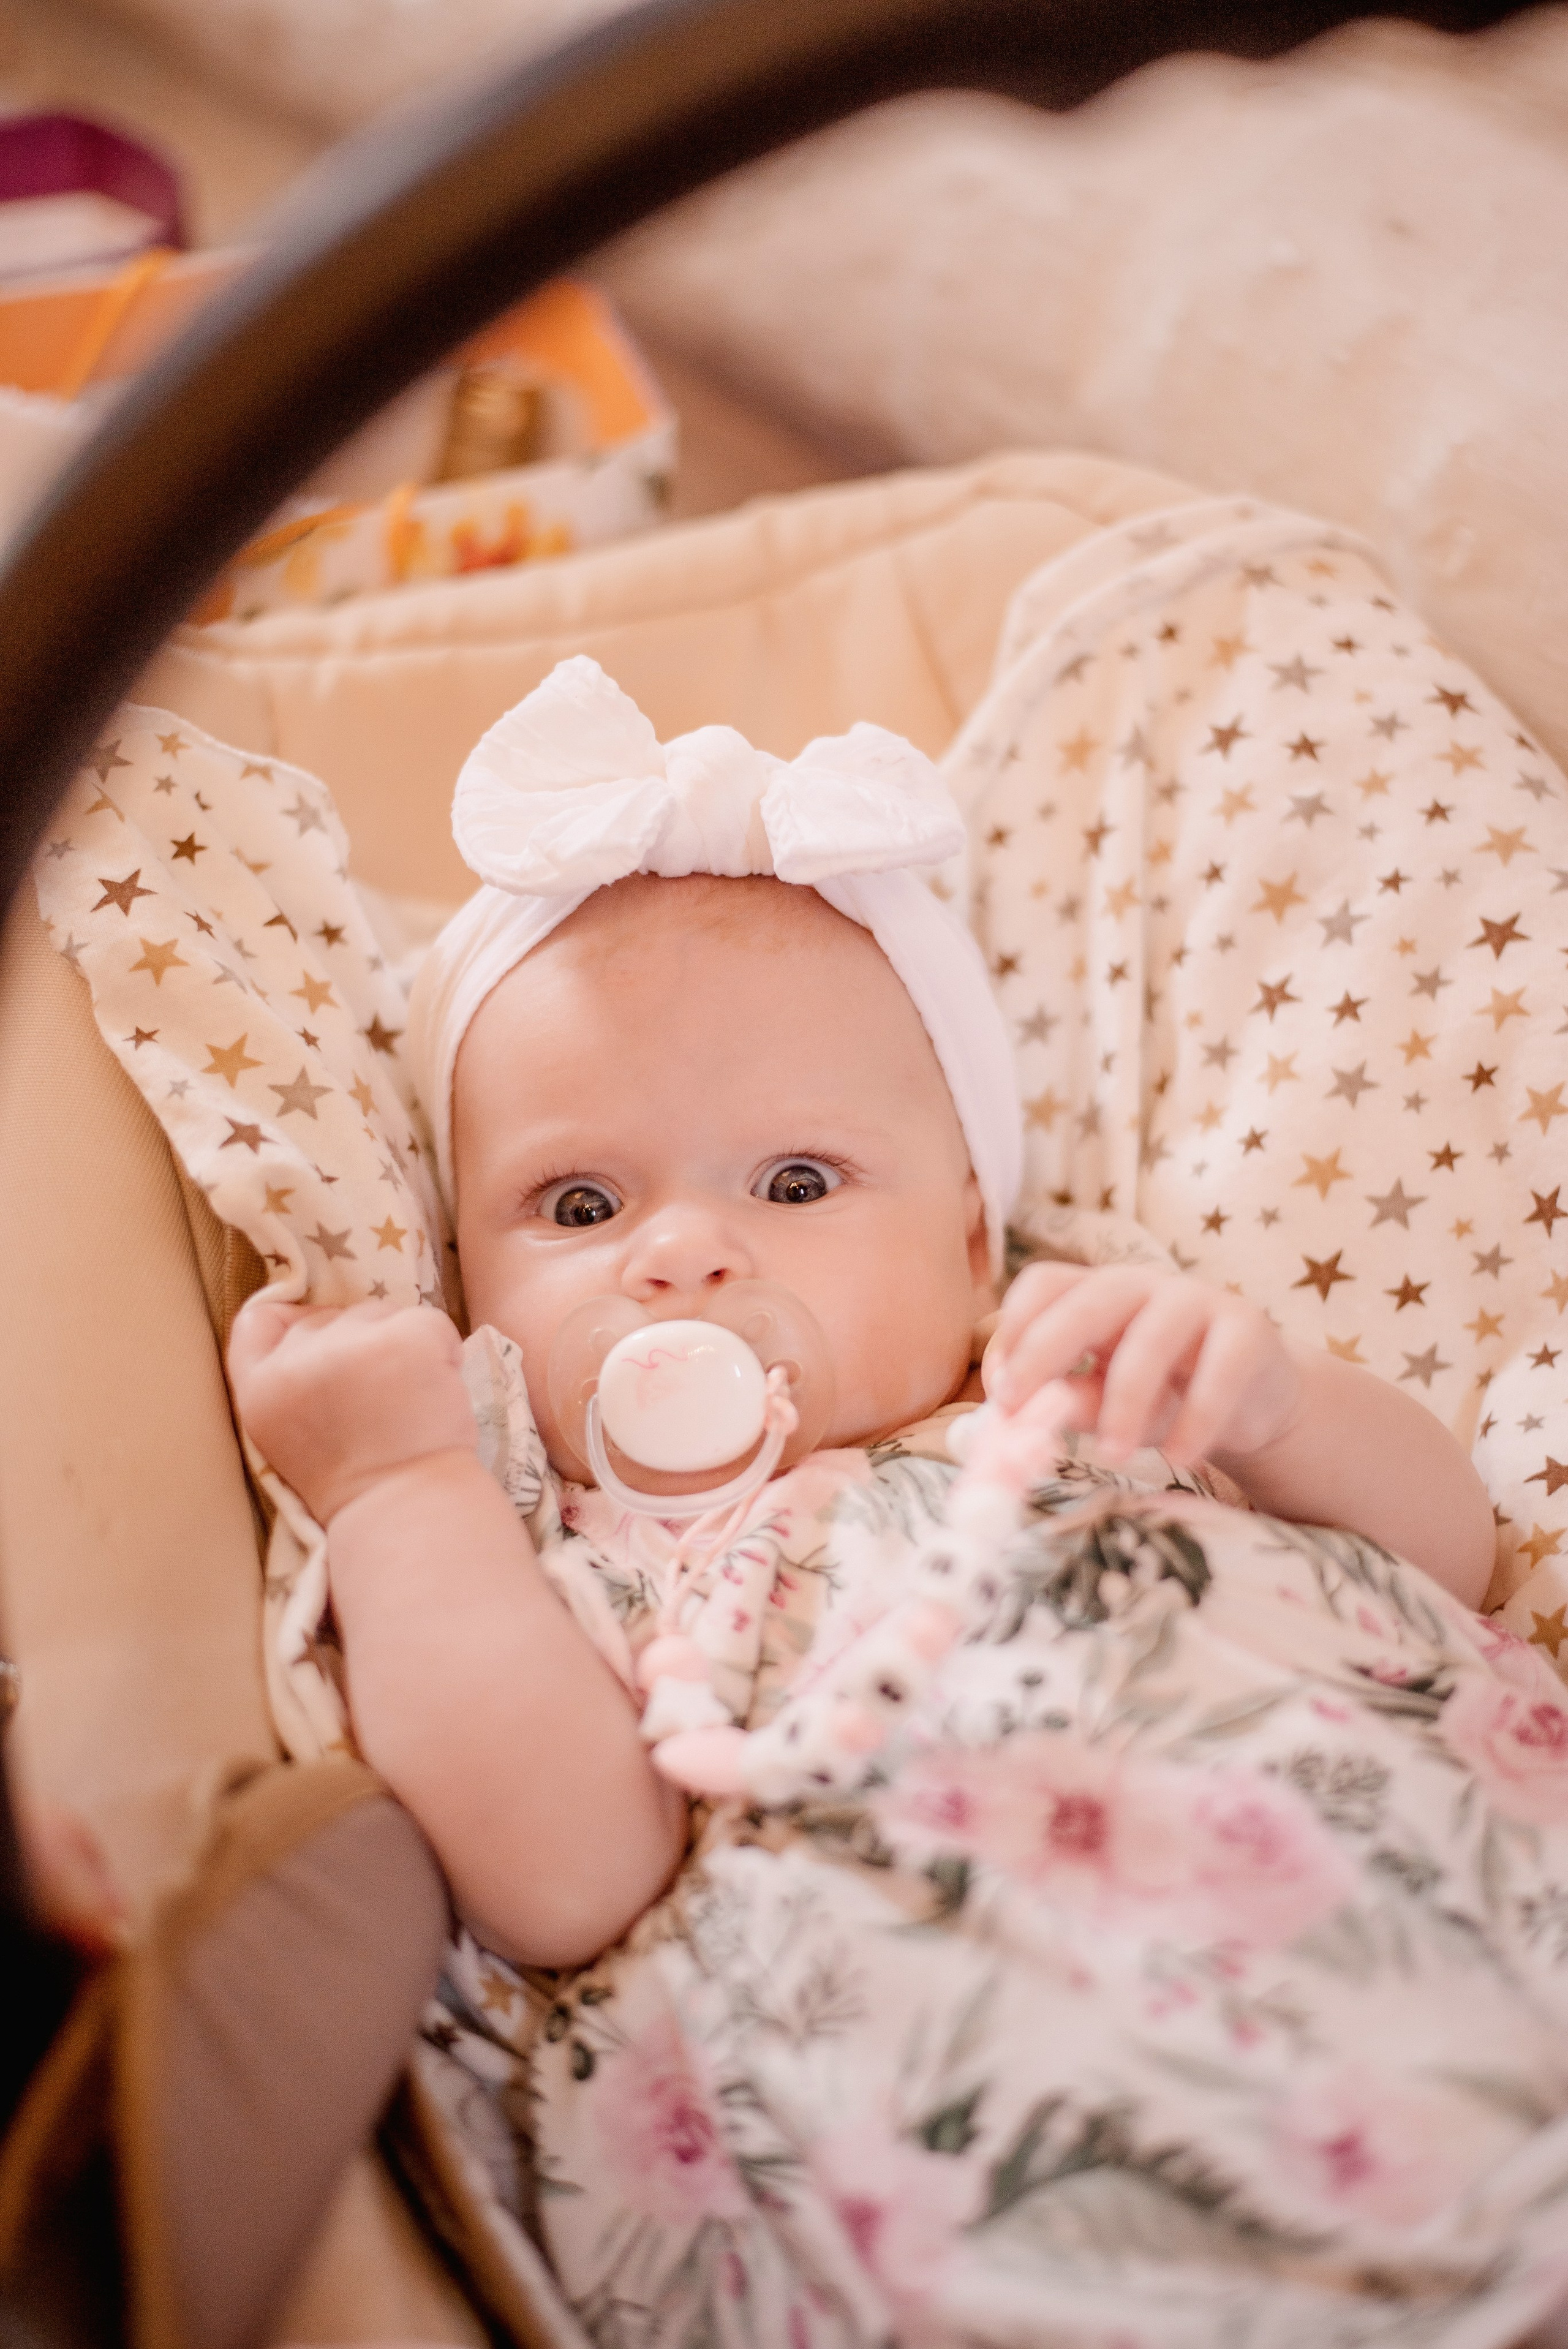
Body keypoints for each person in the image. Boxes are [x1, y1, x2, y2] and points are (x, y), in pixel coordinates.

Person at [228, 662, 1556, 2348]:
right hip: (1029, 2163)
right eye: (577, 1200)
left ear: (977, 1242)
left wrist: (1278, 1404)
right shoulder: (568, 1564)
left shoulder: (1089, 1375)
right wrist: (401, 1482)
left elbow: (1449, 1559)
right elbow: (562, 1882)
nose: (682, 1249)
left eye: (795, 1182)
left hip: (1446, 1973)